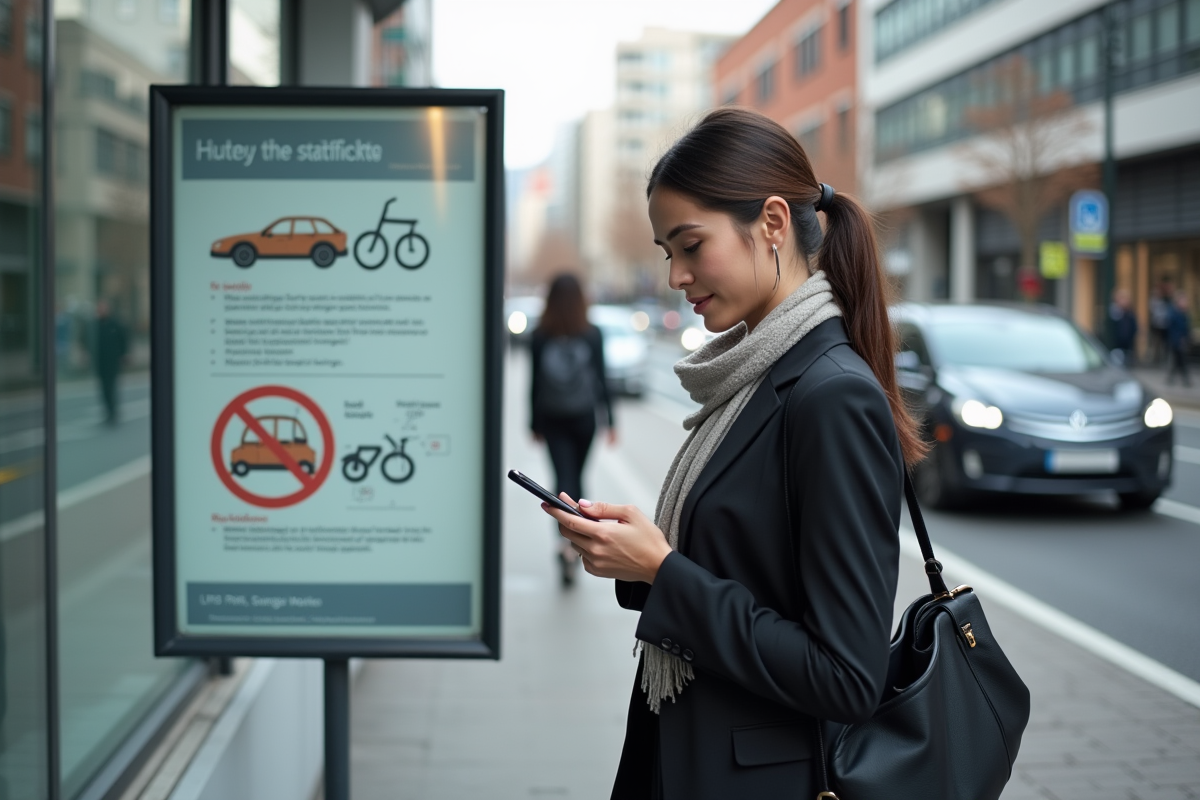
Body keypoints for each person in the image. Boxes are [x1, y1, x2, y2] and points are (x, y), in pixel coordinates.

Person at [540, 108, 926, 798]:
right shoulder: (753, 376)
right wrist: (637, 557)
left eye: (691, 245)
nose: (676, 275)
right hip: (688, 758)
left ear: (773, 222)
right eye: (667, 252)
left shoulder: (831, 396)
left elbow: (846, 676)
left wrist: (663, 571)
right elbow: (752, 575)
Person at [529, 273, 616, 586]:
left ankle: (563, 543)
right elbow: (602, 380)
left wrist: (534, 423)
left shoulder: (540, 335)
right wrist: (610, 421)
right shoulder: (592, 334)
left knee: (562, 479)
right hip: (584, 418)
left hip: (552, 418)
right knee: (577, 478)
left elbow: (535, 383)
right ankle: (575, 544)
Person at [91, 299, 128, 425]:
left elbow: (124, 339)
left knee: (111, 387)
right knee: (104, 388)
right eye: (99, 308)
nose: (101, 311)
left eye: (103, 308)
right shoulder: (96, 324)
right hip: (100, 361)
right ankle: (108, 412)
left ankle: (113, 413)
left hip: (112, 361)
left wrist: (124, 354)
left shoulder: (115, 324)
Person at [1166, 290, 1192, 387]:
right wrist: (1177, 340)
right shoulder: (1174, 313)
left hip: (1182, 340)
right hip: (1176, 341)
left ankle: (1171, 378)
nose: (1185, 303)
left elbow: (1186, 328)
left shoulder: (1184, 314)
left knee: (1178, 361)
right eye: (1183, 301)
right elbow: (1172, 329)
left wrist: (1186, 338)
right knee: (1180, 360)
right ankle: (1185, 379)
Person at [1109, 287, 1139, 366]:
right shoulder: (1114, 312)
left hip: (1128, 343)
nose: (1124, 302)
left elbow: (1134, 326)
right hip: (1117, 344)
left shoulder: (1130, 313)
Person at [1149, 281, 1173, 365]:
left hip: (1165, 326)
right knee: (1156, 343)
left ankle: (1164, 359)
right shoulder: (1154, 300)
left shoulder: (1167, 300)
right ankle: (1156, 359)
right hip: (1156, 326)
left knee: (1165, 344)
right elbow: (1153, 311)